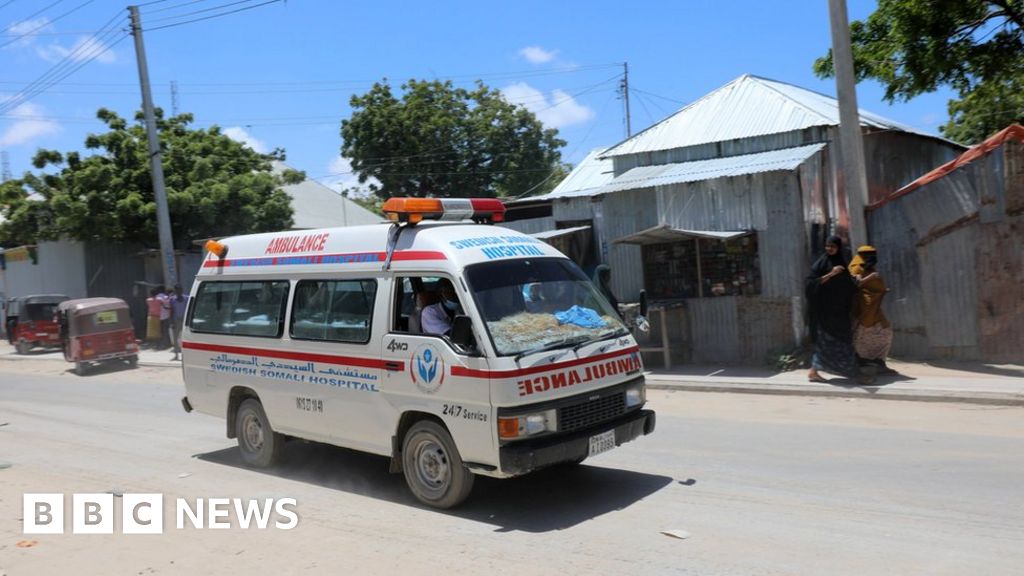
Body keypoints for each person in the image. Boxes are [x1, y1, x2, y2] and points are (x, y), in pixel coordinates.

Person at [805, 235, 871, 384]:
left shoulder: (841, 263)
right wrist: (831, 274)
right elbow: (810, 285)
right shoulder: (820, 264)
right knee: (833, 342)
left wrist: (858, 281)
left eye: (833, 246)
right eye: (827, 246)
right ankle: (855, 374)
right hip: (825, 312)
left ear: (838, 248)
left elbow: (848, 286)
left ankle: (813, 371)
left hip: (839, 311)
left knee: (839, 341)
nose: (829, 249)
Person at [849, 246, 895, 375]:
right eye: (870, 254)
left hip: (874, 306)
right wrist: (872, 278)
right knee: (865, 334)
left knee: (886, 332)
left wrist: (881, 290)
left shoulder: (867, 266)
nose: (873, 257)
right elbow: (855, 284)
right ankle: (864, 361)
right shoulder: (857, 267)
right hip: (865, 308)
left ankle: (879, 362)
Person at [169, 284, 189, 361]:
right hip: (176, 320)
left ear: (182, 290)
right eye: (177, 290)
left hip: (184, 319)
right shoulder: (172, 299)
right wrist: (171, 322)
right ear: (175, 291)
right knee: (175, 338)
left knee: (185, 338)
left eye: (179, 290)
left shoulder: (186, 298)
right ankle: (176, 355)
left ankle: (185, 355)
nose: (178, 292)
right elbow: (171, 311)